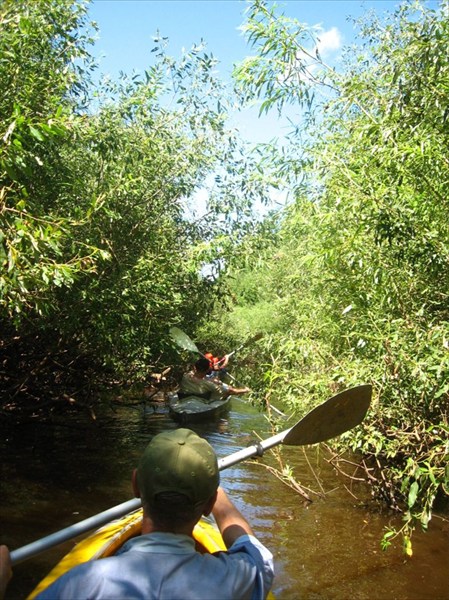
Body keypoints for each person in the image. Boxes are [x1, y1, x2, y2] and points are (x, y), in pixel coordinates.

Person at [32, 428, 274, 599]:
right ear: (208, 505)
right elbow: (254, 552)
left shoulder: (79, 584)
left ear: (135, 485)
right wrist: (217, 499)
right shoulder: (236, 578)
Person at [179, 357, 249, 401]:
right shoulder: (210, 385)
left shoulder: (185, 376)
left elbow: (197, 376)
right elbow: (231, 391)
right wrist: (245, 390)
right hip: (202, 400)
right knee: (227, 392)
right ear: (207, 370)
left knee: (216, 382)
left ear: (195, 367)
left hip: (184, 398)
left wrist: (211, 380)